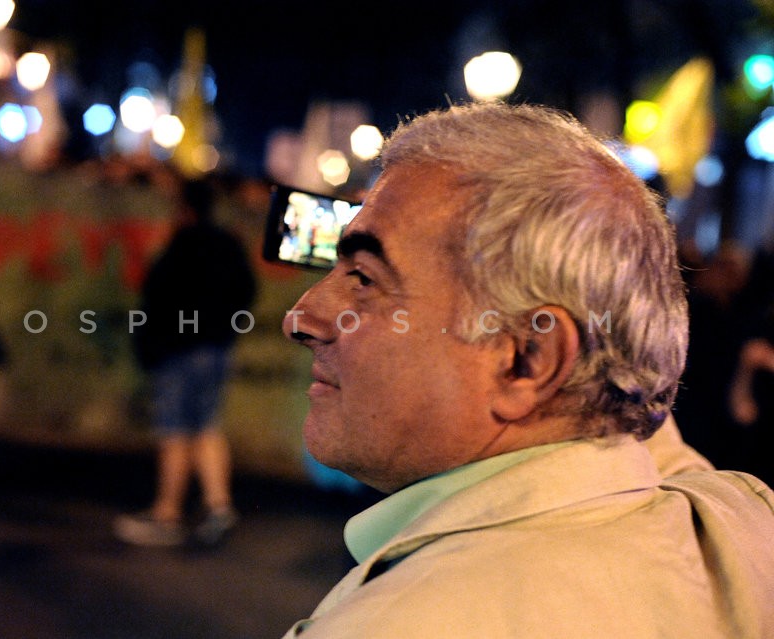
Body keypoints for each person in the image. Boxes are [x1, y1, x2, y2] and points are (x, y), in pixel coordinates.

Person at [280, 103, 774, 638]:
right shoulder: (744, 521)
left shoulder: (390, 624)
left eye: (365, 278)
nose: (300, 318)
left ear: (526, 360)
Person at [115, 177, 256, 547]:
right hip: (216, 349)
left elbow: (156, 297)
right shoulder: (229, 244)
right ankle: (219, 507)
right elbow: (246, 291)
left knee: (175, 431)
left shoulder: (179, 246)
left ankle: (167, 514)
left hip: (178, 352)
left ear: (184, 209)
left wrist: (153, 344)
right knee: (207, 427)